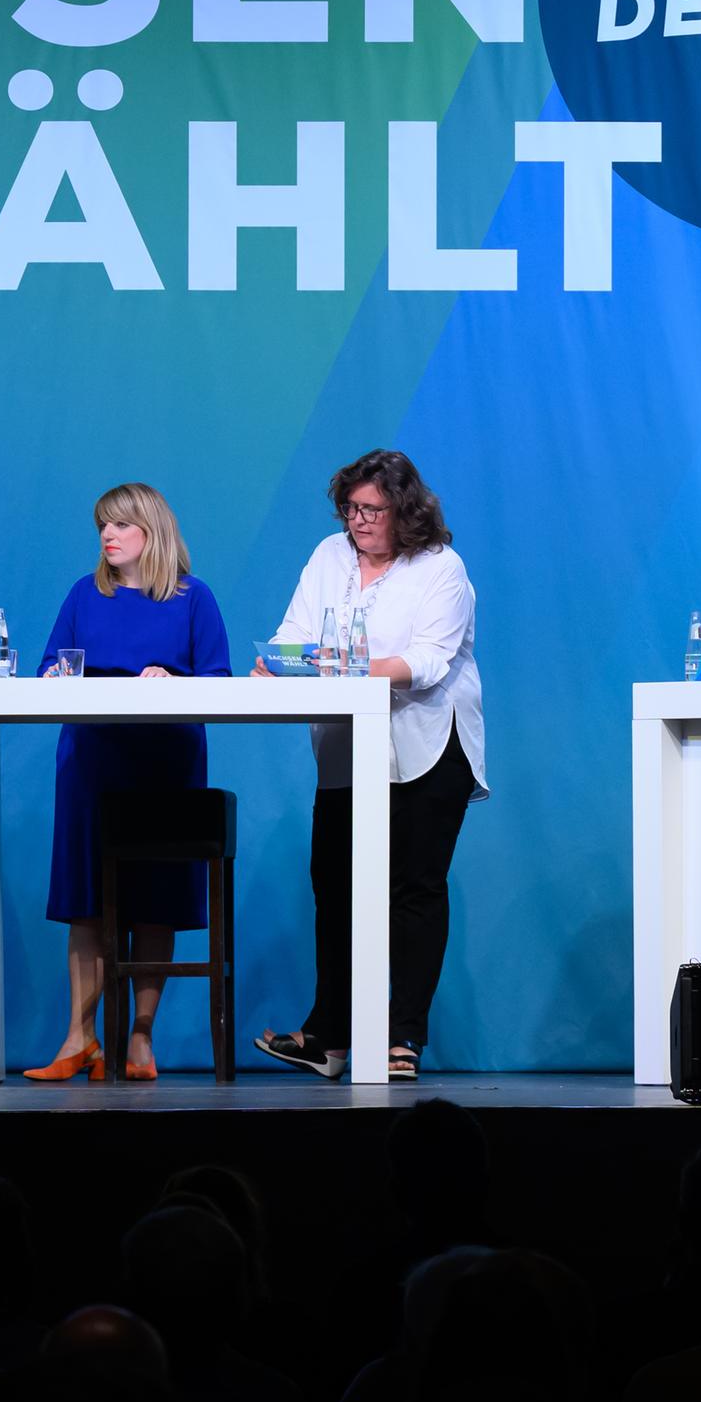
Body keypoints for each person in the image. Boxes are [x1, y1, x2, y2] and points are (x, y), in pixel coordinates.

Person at [256, 449, 485, 1084]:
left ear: (405, 510)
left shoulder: (441, 567)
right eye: (351, 508)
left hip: (427, 745)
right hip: (346, 749)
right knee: (334, 888)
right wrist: (276, 660)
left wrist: (341, 668)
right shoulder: (329, 556)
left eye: (372, 510)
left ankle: (401, 1037)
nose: (358, 522)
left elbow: (430, 661)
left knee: (413, 889)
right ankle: (328, 1038)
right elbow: (294, 632)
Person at [27, 483, 232, 1083]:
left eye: (119, 525)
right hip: (92, 760)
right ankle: (79, 1038)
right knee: (86, 901)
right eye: (101, 528)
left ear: (153, 530)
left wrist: (171, 678)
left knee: (156, 899)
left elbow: (218, 681)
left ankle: (140, 1037)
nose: (107, 537)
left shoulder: (195, 598)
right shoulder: (83, 594)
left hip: (166, 763)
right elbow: (48, 669)